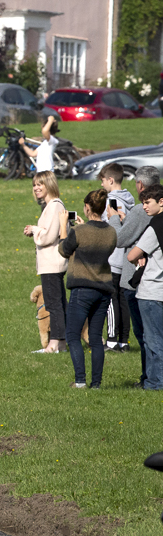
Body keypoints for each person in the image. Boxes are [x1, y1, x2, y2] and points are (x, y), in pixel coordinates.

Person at [59, 189, 117, 388]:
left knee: (73, 335)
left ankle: (80, 381)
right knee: (94, 337)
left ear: (87, 207)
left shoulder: (79, 232)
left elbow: (63, 250)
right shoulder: (111, 232)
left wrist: (63, 228)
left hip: (82, 289)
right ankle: (96, 384)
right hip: (103, 290)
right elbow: (96, 244)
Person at [108, 166, 161, 385]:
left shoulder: (142, 210)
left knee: (146, 337)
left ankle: (150, 378)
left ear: (140, 185)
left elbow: (120, 239)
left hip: (137, 282)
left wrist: (113, 218)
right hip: (149, 281)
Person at [23, 171, 68, 354]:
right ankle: (62, 344)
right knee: (58, 303)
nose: (36, 188)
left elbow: (48, 236)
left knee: (53, 304)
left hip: (52, 263)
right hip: (52, 262)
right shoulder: (52, 206)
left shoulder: (54, 206)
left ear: (49, 184)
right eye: (34, 185)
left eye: (40, 184)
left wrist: (34, 230)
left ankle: (54, 344)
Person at [126, 183, 163, 390]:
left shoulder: (156, 225)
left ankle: (155, 383)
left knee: (153, 340)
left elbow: (132, 254)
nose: (144, 207)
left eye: (147, 202)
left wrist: (139, 257)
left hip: (152, 290)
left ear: (161, 202)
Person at [98, 163, 136, 351]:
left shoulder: (110, 201)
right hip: (127, 258)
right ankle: (124, 341)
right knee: (123, 300)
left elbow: (109, 227)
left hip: (113, 257)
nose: (103, 185)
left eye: (103, 181)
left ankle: (112, 340)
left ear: (110, 180)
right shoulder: (131, 200)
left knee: (111, 300)